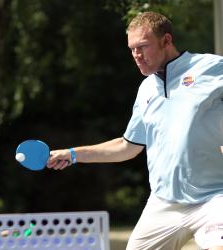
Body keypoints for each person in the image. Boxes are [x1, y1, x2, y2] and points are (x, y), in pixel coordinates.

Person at [47, 11, 223, 250]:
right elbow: (127, 147)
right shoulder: (146, 89)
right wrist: (72, 154)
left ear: (167, 41)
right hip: (163, 204)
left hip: (214, 198)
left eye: (142, 46)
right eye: (132, 49)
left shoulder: (210, 67)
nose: (136, 56)